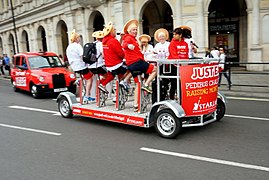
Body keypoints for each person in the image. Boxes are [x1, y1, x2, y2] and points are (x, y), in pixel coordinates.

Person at [122, 19, 157, 111]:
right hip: (137, 62)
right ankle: (146, 84)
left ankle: (135, 105)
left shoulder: (133, 39)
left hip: (132, 64)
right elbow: (124, 44)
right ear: (129, 31)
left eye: (136, 30)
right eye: (133, 30)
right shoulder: (128, 37)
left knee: (137, 83)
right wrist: (128, 46)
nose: (135, 31)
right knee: (155, 69)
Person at [98, 21, 131, 94]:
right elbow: (121, 53)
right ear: (111, 32)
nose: (115, 31)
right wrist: (124, 56)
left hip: (109, 65)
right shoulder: (113, 41)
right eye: (114, 30)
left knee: (112, 75)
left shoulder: (104, 41)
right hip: (116, 64)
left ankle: (103, 84)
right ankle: (123, 83)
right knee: (130, 69)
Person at [66, 29, 95, 102]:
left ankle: (79, 81)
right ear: (76, 38)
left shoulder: (69, 47)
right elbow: (82, 56)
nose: (80, 39)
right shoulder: (78, 46)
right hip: (81, 65)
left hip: (74, 67)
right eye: (79, 37)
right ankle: (87, 95)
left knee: (85, 76)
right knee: (90, 79)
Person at [167, 27, 189, 100]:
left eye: (175, 34)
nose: (174, 36)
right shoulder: (172, 43)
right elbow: (173, 55)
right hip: (174, 65)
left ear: (180, 35)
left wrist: (185, 63)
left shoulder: (185, 44)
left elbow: (186, 54)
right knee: (174, 83)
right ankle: (172, 98)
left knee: (182, 83)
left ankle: (182, 98)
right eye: (173, 34)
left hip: (183, 66)